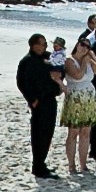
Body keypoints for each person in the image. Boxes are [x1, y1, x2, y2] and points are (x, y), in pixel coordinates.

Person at [16, 33, 60, 180]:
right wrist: (31, 99)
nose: (43, 46)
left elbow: (60, 70)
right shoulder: (26, 61)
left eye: (45, 44)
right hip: (38, 102)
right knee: (38, 134)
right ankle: (38, 165)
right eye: (41, 44)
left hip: (50, 99)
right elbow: (21, 83)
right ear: (33, 45)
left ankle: (42, 162)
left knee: (48, 133)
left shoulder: (49, 57)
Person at [58, 38, 96, 178]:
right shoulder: (70, 60)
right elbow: (77, 75)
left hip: (88, 98)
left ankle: (83, 163)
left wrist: (94, 57)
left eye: (87, 46)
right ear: (77, 44)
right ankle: (71, 165)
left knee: (86, 132)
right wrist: (84, 62)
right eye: (82, 45)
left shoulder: (88, 60)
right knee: (73, 132)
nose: (84, 48)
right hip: (75, 99)